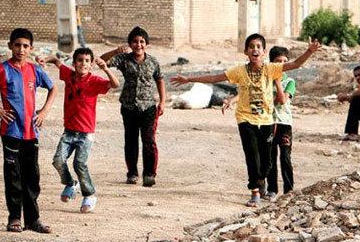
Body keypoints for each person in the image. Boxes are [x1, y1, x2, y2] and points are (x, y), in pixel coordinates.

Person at [170, 34, 321, 207]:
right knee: (252, 154)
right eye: (251, 46)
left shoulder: (271, 69)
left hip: (266, 120)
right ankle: (255, 191)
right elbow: (215, 78)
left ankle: (261, 179)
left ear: (264, 52)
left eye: (258, 47)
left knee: (266, 161)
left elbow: (295, 64)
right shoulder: (239, 71)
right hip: (245, 118)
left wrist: (309, 51)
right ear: (245, 51)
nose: (254, 49)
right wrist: (189, 79)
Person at [0, 28, 58, 233]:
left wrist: (43, 111)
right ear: (10, 46)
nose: (21, 49)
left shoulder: (35, 71)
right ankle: (14, 218)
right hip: (11, 131)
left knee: (32, 177)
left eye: (25, 46)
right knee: (13, 176)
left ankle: (33, 220)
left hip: (31, 132)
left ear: (31, 49)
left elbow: (53, 88)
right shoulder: (2, 70)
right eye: (17, 45)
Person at [43, 48, 119, 213]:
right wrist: (48, 59)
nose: (82, 64)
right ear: (74, 62)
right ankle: (71, 184)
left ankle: (89, 194)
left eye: (86, 61)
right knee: (58, 160)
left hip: (85, 133)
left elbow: (115, 84)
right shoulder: (69, 76)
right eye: (79, 60)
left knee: (79, 164)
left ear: (91, 64)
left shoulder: (94, 81)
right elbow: (57, 62)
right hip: (69, 131)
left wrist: (105, 68)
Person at [101, 26, 166, 187]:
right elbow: (101, 61)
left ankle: (149, 174)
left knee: (149, 141)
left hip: (148, 107)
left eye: (142, 41)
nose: (138, 45)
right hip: (129, 107)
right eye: (135, 42)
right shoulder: (124, 59)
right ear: (130, 44)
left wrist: (163, 101)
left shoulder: (153, 62)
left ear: (147, 44)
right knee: (130, 141)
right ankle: (132, 174)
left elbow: (159, 80)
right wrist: (116, 51)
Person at [265, 46, 297, 200]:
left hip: (284, 123)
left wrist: (277, 81)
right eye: (278, 61)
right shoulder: (265, 81)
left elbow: (282, 99)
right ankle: (272, 189)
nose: (281, 64)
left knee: (285, 157)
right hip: (269, 123)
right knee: (270, 157)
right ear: (271, 62)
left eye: (285, 62)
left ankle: (289, 190)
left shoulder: (290, 82)